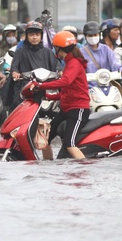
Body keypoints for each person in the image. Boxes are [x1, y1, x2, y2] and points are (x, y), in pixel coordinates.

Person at [36, 31, 90, 160]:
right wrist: (49, 97)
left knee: (69, 144)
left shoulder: (74, 63)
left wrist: (41, 86)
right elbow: (67, 91)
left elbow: (66, 81)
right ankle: (47, 166)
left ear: (58, 48)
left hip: (78, 109)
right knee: (45, 139)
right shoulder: (69, 63)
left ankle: (86, 169)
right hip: (66, 109)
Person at [8, 21, 59, 110]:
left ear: (41, 36)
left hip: (44, 87)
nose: (34, 37)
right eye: (31, 34)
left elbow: (56, 66)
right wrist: (15, 72)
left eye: (37, 34)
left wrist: (61, 72)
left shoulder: (47, 52)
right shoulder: (20, 51)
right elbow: (14, 66)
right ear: (27, 36)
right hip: (25, 88)